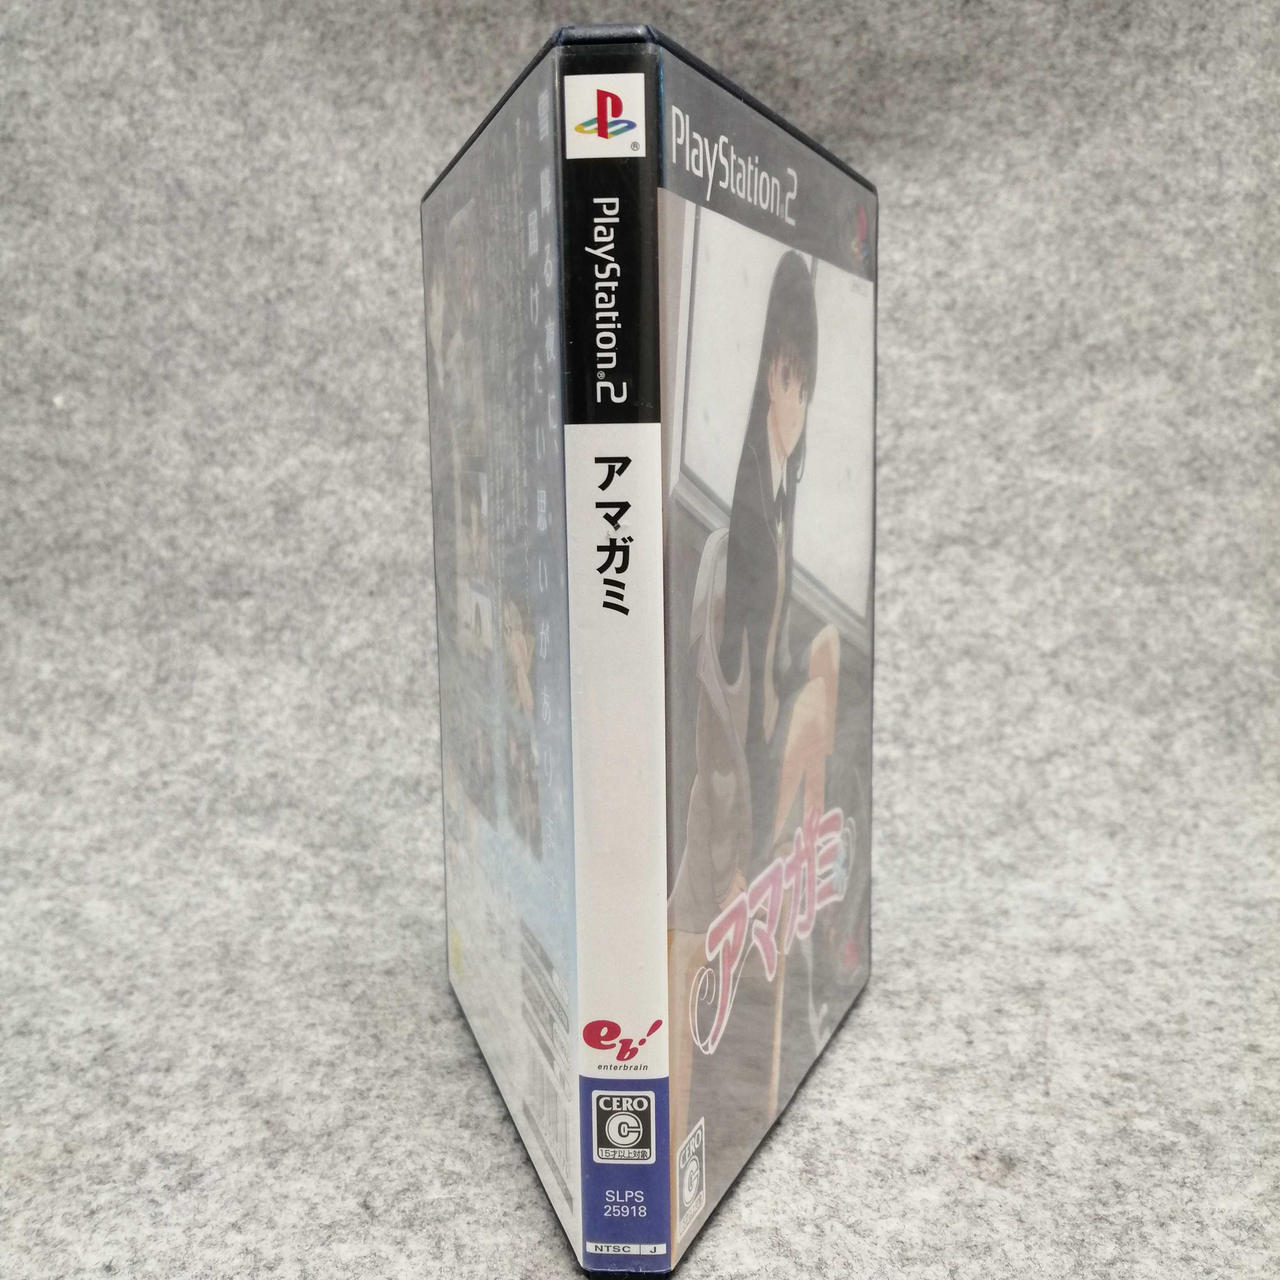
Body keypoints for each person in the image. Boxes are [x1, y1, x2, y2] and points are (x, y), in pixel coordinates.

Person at [668, 250, 842, 1196]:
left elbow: (758, 707)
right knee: (693, 974)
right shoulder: (742, 540)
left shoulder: (772, 510)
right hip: (721, 829)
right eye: (795, 381)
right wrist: (737, 854)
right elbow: (722, 723)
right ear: (777, 375)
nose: (800, 404)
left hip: (742, 823)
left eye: (806, 385)